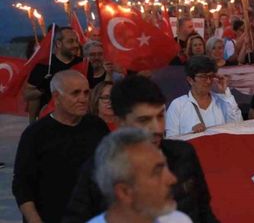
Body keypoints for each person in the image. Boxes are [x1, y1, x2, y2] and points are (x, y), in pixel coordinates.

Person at [63, 75, 219, 223]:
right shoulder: (96, 170)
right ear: (120, 122)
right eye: (144, 120)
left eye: (160, 116)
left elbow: (204, 211)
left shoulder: (183, 153)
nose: (157, 128)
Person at [13, 70, 109, 223]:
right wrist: (34, 219)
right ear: (57, 97)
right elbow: (22, 184)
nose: (83, 99)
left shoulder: (97, 127)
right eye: (75, 93)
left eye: (86, 93)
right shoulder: (35, 134)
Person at [89, 128, 191, 223]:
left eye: (166, 167)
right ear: (124, 191)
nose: (172, 179)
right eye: (157, 172)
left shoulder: (179, 220)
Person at [166, 56, 242, 136]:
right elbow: (171, 140)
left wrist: (225, 92)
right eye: (203, 77)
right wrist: (191, 134)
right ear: (190, 80)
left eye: (211, 76)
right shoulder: (177, 105)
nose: (209, 81)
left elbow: (238, 126)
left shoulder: (223, 100)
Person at [24, 26, 86, 122]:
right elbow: (27, 95)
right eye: (70, 41)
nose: (75, 45)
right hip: (50, 118)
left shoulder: (84, 64)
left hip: (78, 118)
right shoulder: (44, 66)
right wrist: (43, 89)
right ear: (58, 43)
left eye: (76, 41)